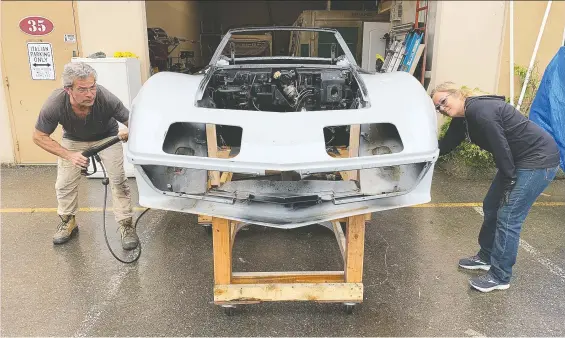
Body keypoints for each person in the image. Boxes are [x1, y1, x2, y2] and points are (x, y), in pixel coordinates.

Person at [432, 82, 560, 293]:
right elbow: (445, 146)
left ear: (457, 95)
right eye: (438, 107)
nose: (443, 109)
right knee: (491, 205)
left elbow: (501, 147)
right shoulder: (461, 119)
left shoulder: (480, 111)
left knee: (509, 216)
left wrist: (509, 179)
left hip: (539, 161)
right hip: (518, 160)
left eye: (444, 102)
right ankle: (486, 256)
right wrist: (419, 152)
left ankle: (500, 276)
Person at [32, 62, 139, 250]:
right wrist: (69, 155)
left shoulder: (105, 97)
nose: (90, 94)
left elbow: (133, 121)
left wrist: (130, 130)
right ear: (68, 90)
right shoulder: (55, 103)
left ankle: (126, 225)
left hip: (107, 138)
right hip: (73, 141)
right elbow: (39, 136)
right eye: (82, 89)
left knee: (119, 181)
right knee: (64, 184)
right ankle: (68, 221)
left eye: (92, 87)